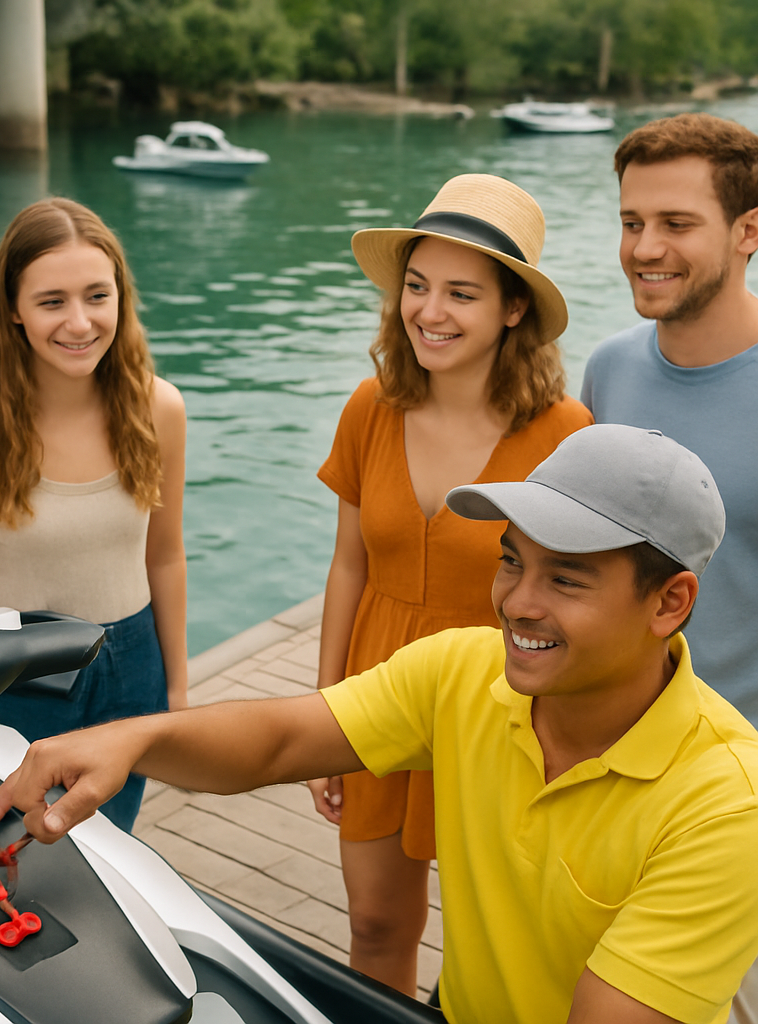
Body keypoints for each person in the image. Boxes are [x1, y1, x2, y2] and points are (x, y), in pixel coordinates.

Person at [0, 424, 758, 1024]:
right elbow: (281, 740)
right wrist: (134, 737)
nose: (519, 602)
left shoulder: (728, 807)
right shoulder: (462, 669)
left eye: (567, 578)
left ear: (669, 602)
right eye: (512, 560)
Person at [307, 173, 592, 993]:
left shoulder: (565, 434)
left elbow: (574, 596)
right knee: (376, 926)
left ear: (512, 310)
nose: (430, 312)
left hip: (502, 709)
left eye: (462, 293)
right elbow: (349, 564)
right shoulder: (371, 406)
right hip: (377, 695)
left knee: (495, 947)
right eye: (418, 287)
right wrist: (326, 708)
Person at [0, 197, 187, 833]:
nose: (79, 322)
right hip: (18, 677)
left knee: (108, 855)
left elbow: (166, 556)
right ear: (13, 308)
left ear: (121, 296)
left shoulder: (161, 409)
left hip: (134, 667)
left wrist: (176, 693)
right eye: (51, 301)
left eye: (97, 295)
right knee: (15, 859)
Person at [581, 113, 758, 724]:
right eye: (632, 223)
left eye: (676, 224)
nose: (644, 248)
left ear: (748, 231)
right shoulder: (608, 369)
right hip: (608, 738)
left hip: (740, 761)